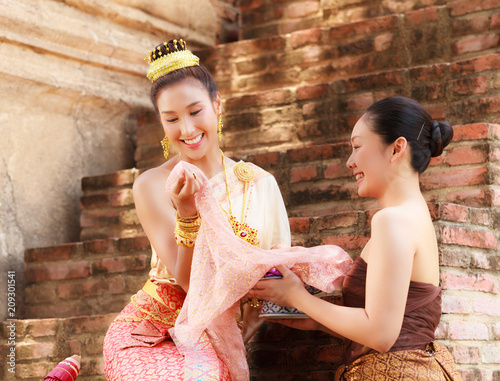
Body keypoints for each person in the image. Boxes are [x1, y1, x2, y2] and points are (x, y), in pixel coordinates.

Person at [102, 38, 292, 380]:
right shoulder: (152, 184)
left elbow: (277, 273)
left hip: (214, 335)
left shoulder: (259, 184)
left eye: (195, 111)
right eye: (171, 118)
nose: (186, 129)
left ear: (217, 105)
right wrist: (187, 215)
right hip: (149, 332)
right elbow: (189, 281)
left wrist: (255, 322)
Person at [249, 96, 463, 380]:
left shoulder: (393, 220)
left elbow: (381, 334)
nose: (350, 161)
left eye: (357, 147)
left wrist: (298, 296)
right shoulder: (411, 216)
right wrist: (307, 315)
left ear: (397, 148)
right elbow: (385, 323)